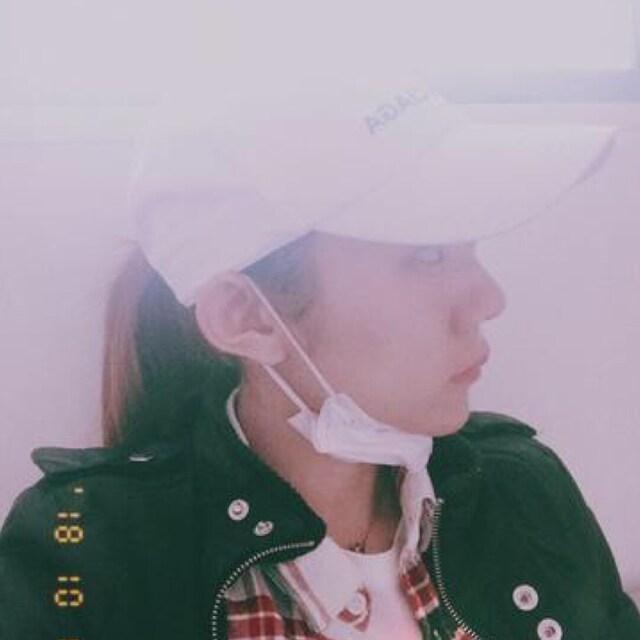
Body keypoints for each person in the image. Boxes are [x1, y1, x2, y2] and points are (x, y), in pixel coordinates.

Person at [1, 53, 639, 640]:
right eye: (429, 255)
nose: (488, 299)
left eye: (470, 248)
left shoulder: (521, 489)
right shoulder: (85, 550)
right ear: (248, 317)